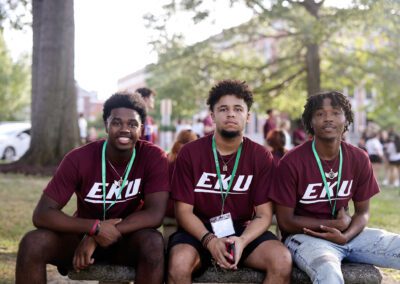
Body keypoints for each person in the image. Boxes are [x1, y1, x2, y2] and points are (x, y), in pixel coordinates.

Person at [16, 92, 170, 284]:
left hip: (127, 239)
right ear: (106, 125)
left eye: (132, 124)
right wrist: (94, 229)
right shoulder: (79, 159)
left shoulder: (153, 157)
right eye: (116, 122)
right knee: (32, 243)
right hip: (80, 238)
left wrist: (97, 236)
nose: (124, 129)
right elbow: (42, 214)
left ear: (141, 128)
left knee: (153, 243)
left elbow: (155, 214)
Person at [268, 91, 400, 284]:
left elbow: (363, 213)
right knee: (328, 272)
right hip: (305, 239)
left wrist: (345, 235)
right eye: (320, 114)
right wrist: (332, 226)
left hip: (350, 236)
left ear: (346, 120)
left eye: (336, 112)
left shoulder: (359, 158)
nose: (328, 118)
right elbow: (285, 221)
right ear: (310, 121)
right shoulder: (292, 161)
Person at [168, 79, 292, 284]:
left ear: (248, 116)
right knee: (179, 264)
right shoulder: (190, 153)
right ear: (212, 116)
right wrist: (210, 241)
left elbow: (263, 214)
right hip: (199, 231)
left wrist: (242, 241)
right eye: (223, 109)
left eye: (238, 109)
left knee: (282, 260)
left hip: (242, 232)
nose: (231, 114)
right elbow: (183, 212)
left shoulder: (260, 156)